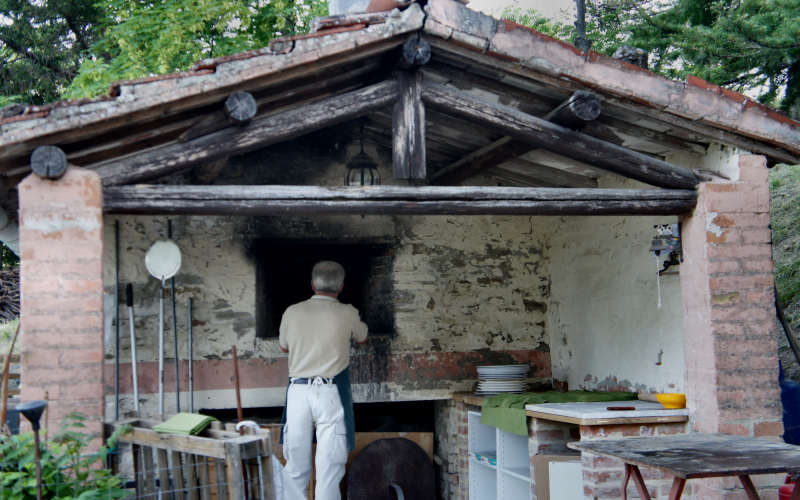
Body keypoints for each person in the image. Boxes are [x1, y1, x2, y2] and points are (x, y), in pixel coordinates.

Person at [279, 260, 368, 500]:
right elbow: (362, 338)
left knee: (296, 467)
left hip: (298, 392)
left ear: (312, 284)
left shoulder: (292, 311)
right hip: (330, 394)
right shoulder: (347, 312)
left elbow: (283, 347)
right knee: (329, 468)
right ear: (340, 287)